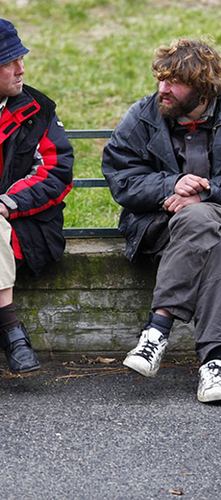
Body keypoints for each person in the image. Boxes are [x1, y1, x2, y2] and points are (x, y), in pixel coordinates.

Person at [102, 38, 221, 403]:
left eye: (173, 83)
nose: (162, 89)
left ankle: (157, 330)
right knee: (211, 245)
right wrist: (171, 184)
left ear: (201, 88)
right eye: (160, 80)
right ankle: (214, 363)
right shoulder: (144, 115)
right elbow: (121, 176)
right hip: (159, 225)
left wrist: (205, 192)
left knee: (201, 219)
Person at [0, 19, 74, 373]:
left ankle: (12, 330)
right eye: (9, 61)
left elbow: (55, 173)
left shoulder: (37, 108)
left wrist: (6, 203)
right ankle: (12, 332)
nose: (21, 68)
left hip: (25, 228)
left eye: (20, 58)